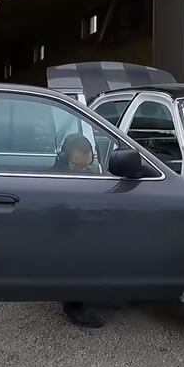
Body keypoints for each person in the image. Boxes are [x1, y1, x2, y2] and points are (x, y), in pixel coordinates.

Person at [57, 133, 104, 328]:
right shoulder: (53, 181)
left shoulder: (92, 175)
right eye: (77, 167)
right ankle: (73, 304)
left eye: (87, 166)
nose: (83, 171)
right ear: (64, 159)